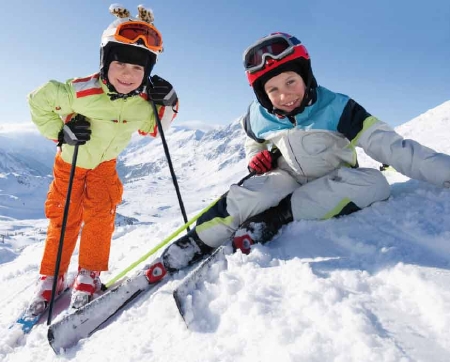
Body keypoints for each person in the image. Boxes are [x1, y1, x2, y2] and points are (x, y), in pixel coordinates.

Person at [142, 31, 450, 284]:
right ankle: (195, 242)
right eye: (272, 89)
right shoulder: (257, 116)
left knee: (376, 184)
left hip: (335, 179)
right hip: (287, 177)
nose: (284, 94)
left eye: (291, 81)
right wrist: (258, 159)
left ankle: (276, 218)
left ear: (306, 76)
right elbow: (253, 142)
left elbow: (394, 148)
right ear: (263, 95)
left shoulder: (338, 107)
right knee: (254, 192)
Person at [26, 4, 178, 315]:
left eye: (138, 69)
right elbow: (38, 99)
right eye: (121, 63)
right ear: (105, 61)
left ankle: (88, 274)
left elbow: (155, 127)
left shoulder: (142, 103)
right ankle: (52, 276)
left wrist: (169, 102)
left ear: (147, 73)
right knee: (64, 218)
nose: (128, 74)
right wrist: (61, 132)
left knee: (100, 218)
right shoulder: (80, 91)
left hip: (104, 167)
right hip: (70, 163)